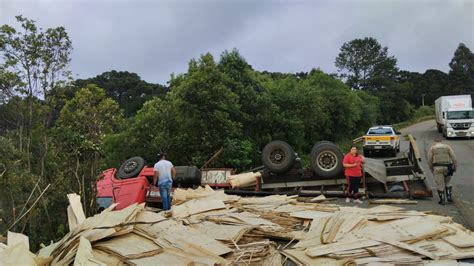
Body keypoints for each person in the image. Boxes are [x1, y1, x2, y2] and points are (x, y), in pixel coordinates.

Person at [427, 138, 457, 205]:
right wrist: (455, 167)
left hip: (437, 168)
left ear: (435, 142)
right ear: (441, 141)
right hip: (447, 167)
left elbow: (429, 160)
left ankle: (442, 199)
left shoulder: (432, 148)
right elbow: (454, 158)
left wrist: (431, 168)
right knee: (448, 182)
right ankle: (449, 197)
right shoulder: (447, 147)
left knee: (440, 184)